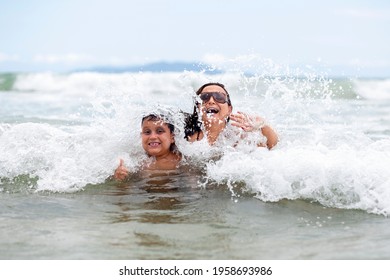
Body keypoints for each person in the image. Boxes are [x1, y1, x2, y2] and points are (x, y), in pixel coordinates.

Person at [184, 82, 278, 149]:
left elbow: (273, 147)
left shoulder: (237, 135)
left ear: (229, 109)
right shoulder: (184, 134)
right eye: (204, 97)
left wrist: (262, 125)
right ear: (197, 108)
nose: (211, 101)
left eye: (219, 97)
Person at [114, 114, 182, 181]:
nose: (152, 137)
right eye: (147, 132)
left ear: (172, 137)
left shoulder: (181, 162)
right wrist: (121, 178)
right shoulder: (136, 162)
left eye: (159, 131)